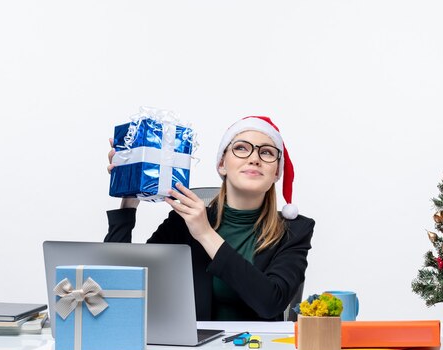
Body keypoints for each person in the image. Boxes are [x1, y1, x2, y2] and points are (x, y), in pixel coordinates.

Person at [105, 116, 315, 321]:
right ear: (222, 163)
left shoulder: (295, 231)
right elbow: (119, 285)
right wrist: (128, 202)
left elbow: (270, 303)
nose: (254, 158)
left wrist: (205, 233)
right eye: (241, 148)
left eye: (267, 153)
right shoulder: (184, 222)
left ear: (277, 171)